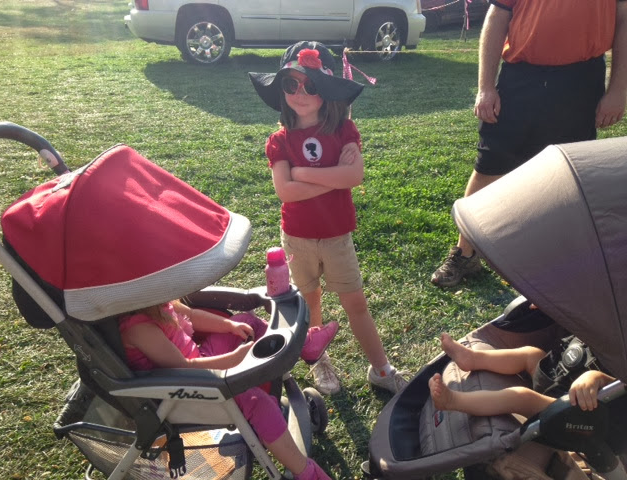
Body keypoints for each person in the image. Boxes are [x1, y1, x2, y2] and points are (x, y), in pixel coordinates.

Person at [248, 41, 408, 395]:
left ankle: (381, 369)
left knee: (356, 303)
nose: (300, 93)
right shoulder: (279, 140)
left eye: (311, 85)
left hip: (337, 237)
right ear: (281, 89)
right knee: (309, 303)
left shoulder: (344, 131)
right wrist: (333, 177)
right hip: (298, 238)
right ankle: (320, 361)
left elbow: (354, 176)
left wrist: (302, 173)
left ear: (327, 90)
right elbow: (285, 191)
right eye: (291, 84)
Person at [431, 0, 627, 287]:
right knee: (491, 163)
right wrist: (485, 88)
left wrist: (618, 90)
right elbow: (497, 17)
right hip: (521, 76)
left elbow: (624, 21)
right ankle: (466, 253)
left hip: (582, 80)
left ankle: (556, 261)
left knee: (567, 176)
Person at [119, 300, 338, 480]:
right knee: (257, 402)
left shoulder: (158, 304)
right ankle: (306, 473)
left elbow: (192, 315)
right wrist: (233, 359)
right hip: (185, 393)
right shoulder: (139, 329)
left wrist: (228, 326)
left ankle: (305, 346)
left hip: (199, 365)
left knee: (247, 322)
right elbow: (184, 368)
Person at [428, 333, 616, 419]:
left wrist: (597, 378)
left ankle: (452, 400)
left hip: (573, 408)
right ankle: (473, 359)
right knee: (530, 354)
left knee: (522, 397)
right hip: (558, 373)